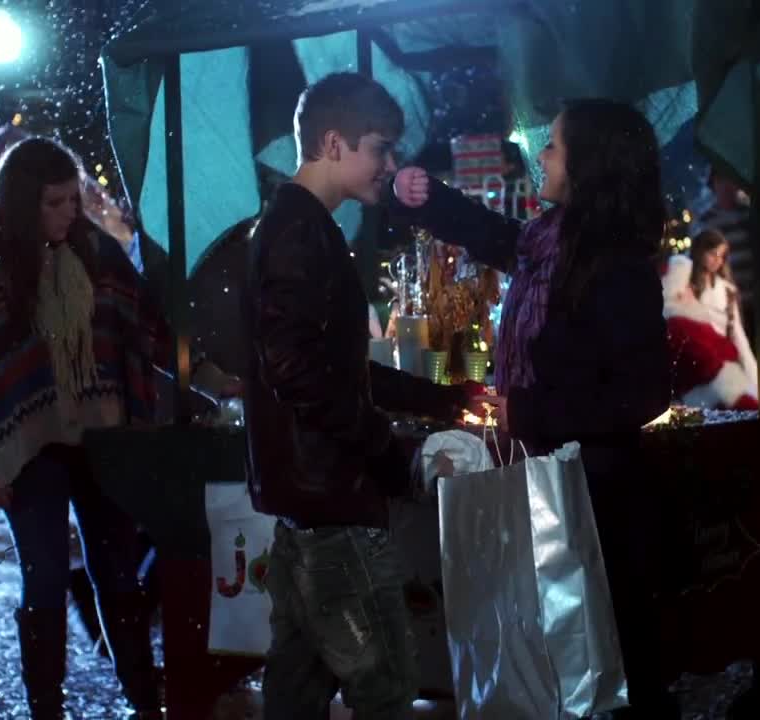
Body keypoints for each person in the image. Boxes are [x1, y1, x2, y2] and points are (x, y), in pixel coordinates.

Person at [0, 137, 240, 719]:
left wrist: (211, 379)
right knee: (45, 579)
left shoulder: (98, 254)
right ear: (21, 203)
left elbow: (150, 328)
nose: (69, 212)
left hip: (105, 440)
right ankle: (46, 708)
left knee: (119, 575)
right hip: (28, 444)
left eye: (72, 199)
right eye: (54, 203)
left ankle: (144, 701)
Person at [394, 99, 676, 718]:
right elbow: (494, 236)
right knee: (554, 656)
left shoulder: (616, 266)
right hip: (547, 480)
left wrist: (529, 412)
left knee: (608, 656)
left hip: (595, 498)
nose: (540, 156)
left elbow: (644, 392)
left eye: (552, 145)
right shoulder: (548, 244)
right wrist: (429, 198)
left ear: (588, 163)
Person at [243, 73, 487, 719]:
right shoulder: (299, 232)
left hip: (312, 504)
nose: (390, 164)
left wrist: (443, 400)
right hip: (333, 504)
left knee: (297, 692)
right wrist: (383, 451)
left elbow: (337, 366)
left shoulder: (301, 226)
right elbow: (300, 371)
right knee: (384, 689)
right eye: (379, 148)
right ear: (333, 143)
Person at [661, 229, 759, 409]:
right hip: (692, 365)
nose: (717, 260)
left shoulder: (726, 291)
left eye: (721, 256)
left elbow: (738, 337)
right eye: (713, 254)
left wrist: (755, 380)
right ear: (700, 252)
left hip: (721, 364)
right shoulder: (684, 285)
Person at [691, 165, 757, 330]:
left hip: (757, 303)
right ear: (713, 184)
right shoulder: (705, 222)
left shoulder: (750, 214)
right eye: (721, 180)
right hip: (726, 306)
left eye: (731, 179)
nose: (727, 185)